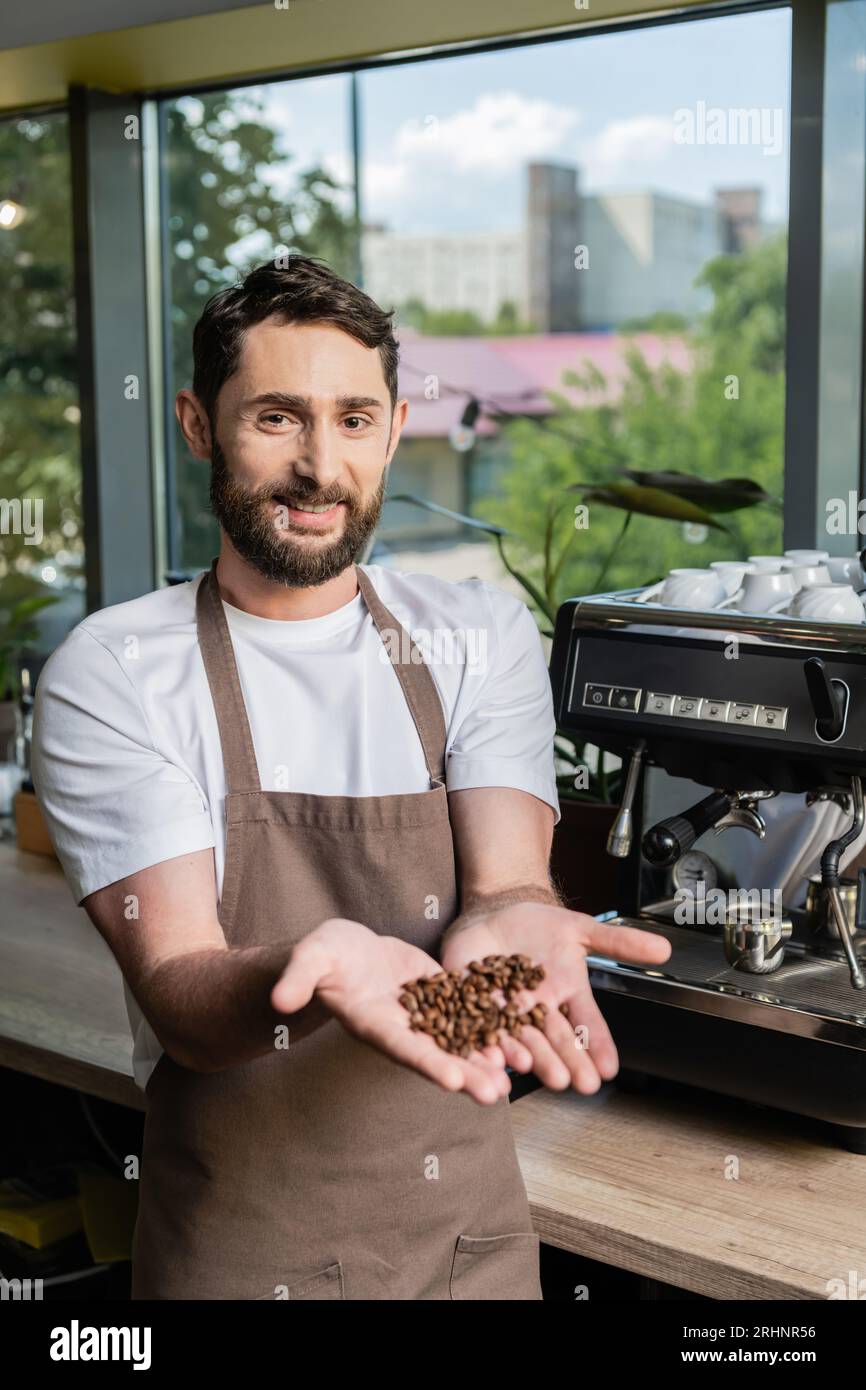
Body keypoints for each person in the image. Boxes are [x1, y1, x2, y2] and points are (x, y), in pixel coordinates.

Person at [32, 254, 670, 1301]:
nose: (320, 466)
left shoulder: (473, 634)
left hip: (469, 1250)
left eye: (354, 419)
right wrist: (316, 963)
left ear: (392, 425)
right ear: (198, 424)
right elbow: (184, 993)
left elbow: (507, 885)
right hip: (241, 1254)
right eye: (276, 417)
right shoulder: (118, 671)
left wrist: (515, 918)